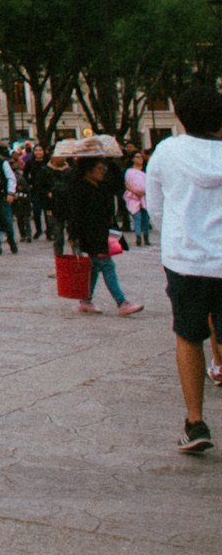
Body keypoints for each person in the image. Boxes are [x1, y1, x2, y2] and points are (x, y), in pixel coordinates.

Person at [141, 88, 221, 453]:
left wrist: (175, 236)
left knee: (188, 336)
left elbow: (155, 208)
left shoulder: (166, 152)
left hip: (185, 260)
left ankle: (195, 421)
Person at [59, 155, 141, 318]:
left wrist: (110, 160)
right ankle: (122, 302)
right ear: (88, 171)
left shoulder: (101, 185)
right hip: (88, 233)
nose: (102, 171)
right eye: (99, 168)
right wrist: (73, 235)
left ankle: (85, 300)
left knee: (95, 267)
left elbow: (116, 181)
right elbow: (75, 214)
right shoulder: (79, 188)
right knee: (106, 264)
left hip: (102, 231)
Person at [123, 149, 151, 248]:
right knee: (137, 217)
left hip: (145, 195)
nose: (140, 159)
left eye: (141, 157)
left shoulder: (146, 170)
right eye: (137, 157)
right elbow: (126, 183)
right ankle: (138, 236)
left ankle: (146, 237)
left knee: (146, 218)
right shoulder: (129, 171)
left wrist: (145, 191)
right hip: (134, 196)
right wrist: (134, 191)